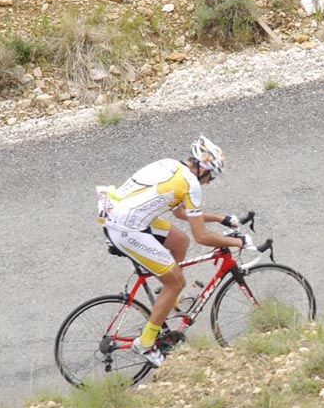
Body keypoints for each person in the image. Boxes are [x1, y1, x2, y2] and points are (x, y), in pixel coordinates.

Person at [96, 136, 254, 367]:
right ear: (203, 168)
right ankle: (146, 343)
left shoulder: (173, 165)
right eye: (211, 176)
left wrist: (221, 219)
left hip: (121, 214)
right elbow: (201, 236)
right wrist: (238, 243)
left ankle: (170, 299)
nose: (209, 182)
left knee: (180, 243)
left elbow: (182, 215)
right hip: (127, 228)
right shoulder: (192, 185)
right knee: (176, 282)